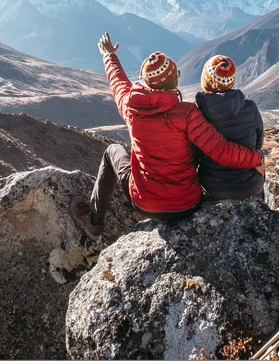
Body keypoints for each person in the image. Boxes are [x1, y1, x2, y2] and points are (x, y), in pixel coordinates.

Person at [72, 33, 264, 238]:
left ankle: (94, 220)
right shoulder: (187, 113)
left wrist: (109, 55)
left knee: (112, 151)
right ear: (174, 81)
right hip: (188, 204)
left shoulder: (130, 106)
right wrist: (257, 158)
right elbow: (221, 150)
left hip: (145, 204)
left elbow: (118, 83)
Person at [194, 55, 265, 201]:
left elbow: (194, 153)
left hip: (212, 186)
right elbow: (258, 144)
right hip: (249, 186)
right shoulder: (250, 107)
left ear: (206, 81)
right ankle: (260, 207)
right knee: (260, 154)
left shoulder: (197, 114)